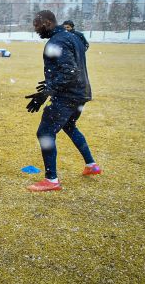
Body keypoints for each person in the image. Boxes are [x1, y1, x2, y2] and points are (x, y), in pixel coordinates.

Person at [25, 10, 100, 192]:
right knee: (69, 126)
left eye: (38, 25)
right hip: (81, 93)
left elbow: (69, 72)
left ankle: (51, 180)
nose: (36, 30)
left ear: (48, 22)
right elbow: (71, 67)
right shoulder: (73, 37)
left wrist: (47, 92)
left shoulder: (57, 41)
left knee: (45, 132)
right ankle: (91, 165)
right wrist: (50, 83)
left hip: (67, 95)